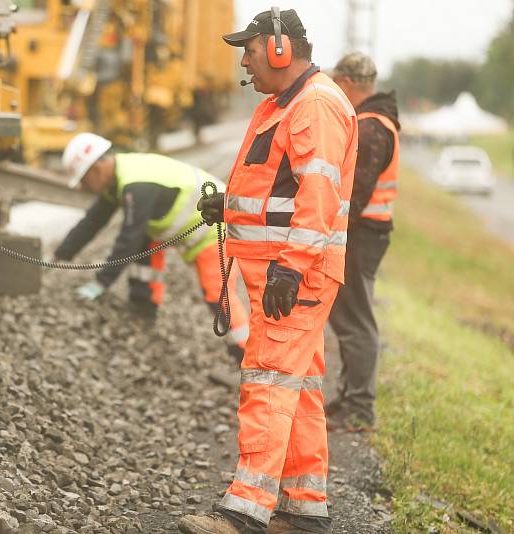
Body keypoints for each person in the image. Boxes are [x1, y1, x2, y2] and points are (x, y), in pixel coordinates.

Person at [180, 7, 358, 534]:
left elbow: (318, 193)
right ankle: (305, 510)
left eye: (251, 50)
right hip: (279, 272)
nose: (244, 62)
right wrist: (229, 207)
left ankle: (244, 511)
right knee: (296, 387)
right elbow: (275, 186)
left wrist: (292, 268)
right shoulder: (284, 104)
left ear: (280, 49)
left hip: (294, 275)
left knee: (268, 381)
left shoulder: (315, 106)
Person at [53, 132, 250, 363]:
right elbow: (93, 221)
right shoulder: (121, 176)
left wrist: (101, 282)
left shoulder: (137, 184)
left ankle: (246, 359)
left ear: (96, 169)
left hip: (218, 228)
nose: (86, 187)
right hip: (204, 229)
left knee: (218, 295)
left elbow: (128, 238)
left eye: (84, 181)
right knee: (145, 240)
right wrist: (62, 254)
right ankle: (143, 307)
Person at [326, 52, 399, 432]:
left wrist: (332, 233)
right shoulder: (375, 121)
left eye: (336, 81)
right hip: (367, 231)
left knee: (355, 319)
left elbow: (356, 193)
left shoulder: (371, 128)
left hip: (362, 233)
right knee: (351, 315)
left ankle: (359, 409)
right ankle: (349, 398)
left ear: (348, 83)